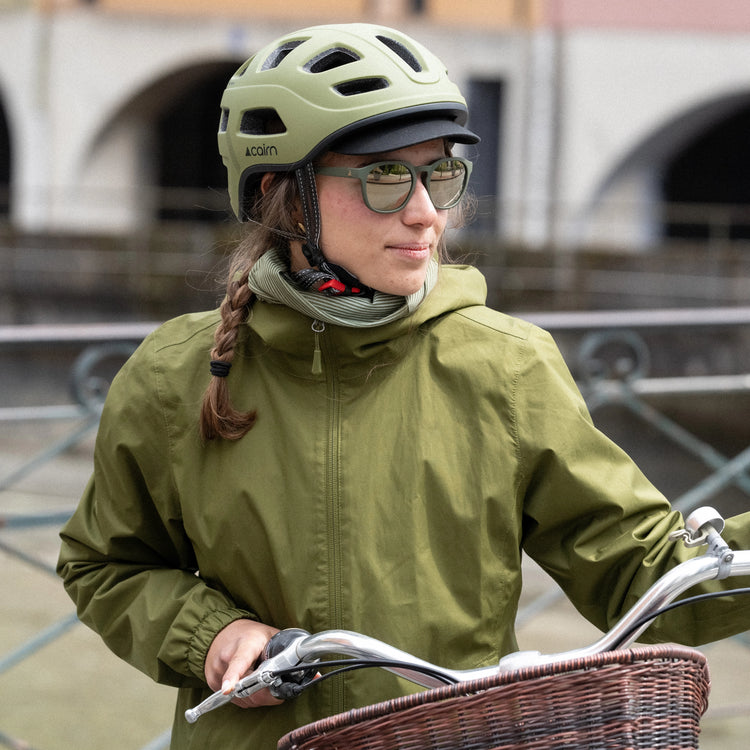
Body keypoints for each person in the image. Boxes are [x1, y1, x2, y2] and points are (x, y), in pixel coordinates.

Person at [57, 22, 750, 750]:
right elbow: (104, 563)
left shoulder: (508, 367)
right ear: (285, 196)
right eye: (385, 179)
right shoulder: (174, 373)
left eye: (438, 175)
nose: (426, 213)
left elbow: (640, 575)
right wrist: (210, 633)